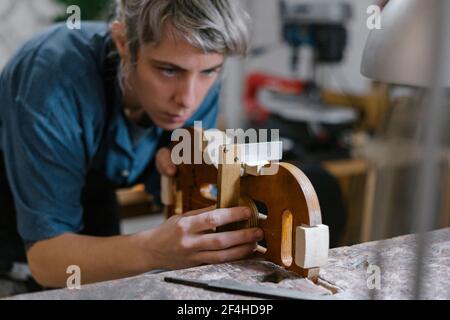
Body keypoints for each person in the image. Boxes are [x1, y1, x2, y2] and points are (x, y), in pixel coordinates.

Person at [0, 0, 263, 292]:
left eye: (210, 71)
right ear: (124, 42)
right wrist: (153, 250)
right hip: (13, 216)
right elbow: (46, 262)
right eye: (168, 70)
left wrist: (171, 176)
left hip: (96, 195)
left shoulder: (195, 76)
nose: (188, 99)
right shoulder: (53, 84)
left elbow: (182, 196)